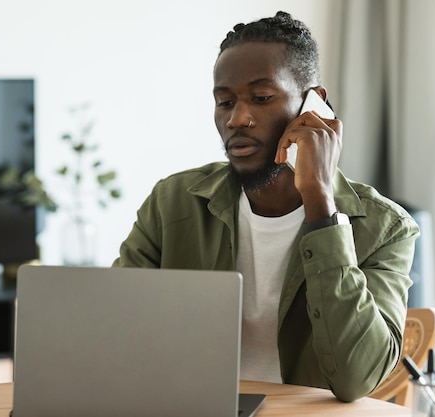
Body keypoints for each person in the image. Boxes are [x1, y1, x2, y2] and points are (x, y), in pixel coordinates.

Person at [113, 11, 419, 402]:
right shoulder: (173, 202)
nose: (237, 119)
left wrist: (321, 204)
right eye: (224, 102)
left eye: (260, 98)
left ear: (313, 106)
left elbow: (356, 378)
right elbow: (117, 334)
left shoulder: (386, 228)